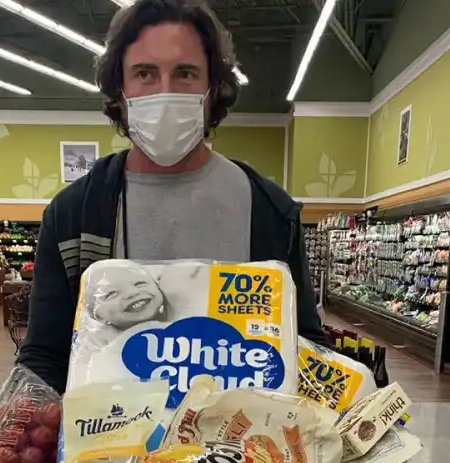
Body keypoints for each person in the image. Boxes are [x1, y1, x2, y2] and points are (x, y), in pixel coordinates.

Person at [19, 0, 326, 394]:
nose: (164, 92)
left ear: (213, 88)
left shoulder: (269, 210)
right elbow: (44, 356)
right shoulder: (72, 216)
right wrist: (24, 416)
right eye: (145, 73)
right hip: (109, 428)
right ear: (120, 89)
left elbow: (305, 346)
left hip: (236, 431)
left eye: (185, 73)